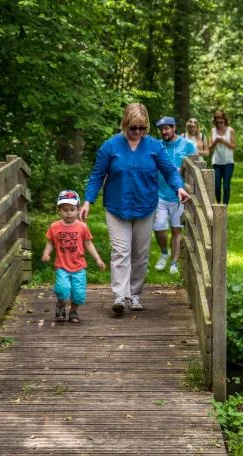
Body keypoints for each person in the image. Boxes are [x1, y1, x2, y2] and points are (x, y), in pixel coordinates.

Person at [80, 103, 191, 316]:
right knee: (121, 251)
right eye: (133, 128)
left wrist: (179, 187)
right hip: (117, 207)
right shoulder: (110, 146)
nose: (138, 132)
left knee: (140, 254)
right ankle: (120, 296)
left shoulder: (153, 146)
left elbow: (169, 171)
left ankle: (135, 293)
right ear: (125, 125)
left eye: (142, 128)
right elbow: (96, 175)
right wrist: (88, 201)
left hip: (145, 206)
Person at [41, 190, 106, 323]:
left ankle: (74, 311)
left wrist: (98, 259)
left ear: (78, 210)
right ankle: (60, 305)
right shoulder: (54, 227)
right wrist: (46, 253)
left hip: (79, 266)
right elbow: (50, 242)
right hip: (62, 266)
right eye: (65, 210)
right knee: (62, 289)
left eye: (72, 209)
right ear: (59, 210)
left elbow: (88, 244)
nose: (69, 213)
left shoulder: (82, 227)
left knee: (78, 293)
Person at [153, 116, 197, 275]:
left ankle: (173, 263)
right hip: (159, 195)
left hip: (179, 196)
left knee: (177, 230)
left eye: (167, 128)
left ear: (174, 128)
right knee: (159, 227)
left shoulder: (188, 145)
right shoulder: (157, 146)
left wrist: (183, 172)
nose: (164, 132)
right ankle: (164, 252)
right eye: (161, 129)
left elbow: (196, 169)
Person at [209, 109, 235, 204]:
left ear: (224, 120)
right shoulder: (213, 131)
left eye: (221, 121)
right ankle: (219, 203)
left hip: (228, 162)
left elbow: (233, 146)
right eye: (217, 121)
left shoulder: (230, 130)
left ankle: (225, 206)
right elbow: (209, 148)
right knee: (216, 186)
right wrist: (215, 142)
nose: (219, 123)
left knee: (226, 186)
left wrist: (224, 142)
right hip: (216, 162)